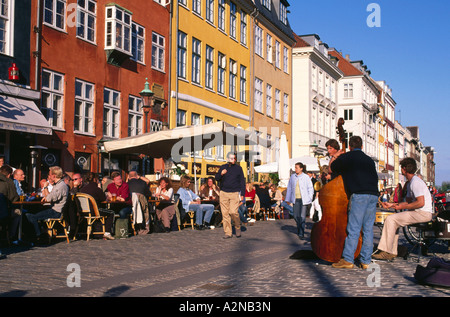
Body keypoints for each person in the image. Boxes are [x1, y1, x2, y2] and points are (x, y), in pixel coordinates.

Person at [329, 136, 379, 269]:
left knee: (354, 228)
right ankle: (365, 261)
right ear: (362, 146)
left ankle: (348, 259)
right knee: (368, 229)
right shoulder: (369, 160)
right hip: (373, 194)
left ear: (350, 146)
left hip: (360, 194)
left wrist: (336, 156)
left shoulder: (348, 157)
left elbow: (332, 169)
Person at [373, 158, 434, 261]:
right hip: (419, 212)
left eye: (401, 167)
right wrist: (392, 205)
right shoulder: (411, 182)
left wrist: (402, 207)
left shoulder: (415, 182)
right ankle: (391, 251)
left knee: (391, 219)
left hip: (423, 213)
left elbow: (420, 202)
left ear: (404, 169)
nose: (401, 169)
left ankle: (386, 251)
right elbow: (408, 202)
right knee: (394, 220)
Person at [25, 166, 69, 243]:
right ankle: (40, 234)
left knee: (30, 216)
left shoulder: (61, 186)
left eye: (49, 175)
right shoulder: (58, 185)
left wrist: (45, 187)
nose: (48, 177)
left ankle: (38, 236)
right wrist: (47, 195)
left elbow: (49, 198)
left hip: (56, 211)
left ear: (54, 176)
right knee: (31, 212)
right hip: (53, 209)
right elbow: (49, 196)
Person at [215, 151, 246, 238]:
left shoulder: (238, 168)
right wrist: (221, 174)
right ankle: (228, 233)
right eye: (231, 158)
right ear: (228, 159)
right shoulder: (223, 167)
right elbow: (216, 178)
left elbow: (242, 182)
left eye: (234, 158)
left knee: (233, 212)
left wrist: (242, 193)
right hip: (224, 193)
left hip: (234, 193)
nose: (233, 160)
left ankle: (237, 226)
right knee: (225, 214)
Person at [79, 172, 115, 240]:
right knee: (111, 213)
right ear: (95, 179)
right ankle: (107, 232)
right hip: (94, 211)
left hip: (83, 212)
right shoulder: (96, 189)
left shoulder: (83, 189)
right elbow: (103, 199)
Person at [285, 162, 314, 240]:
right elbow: (290, 188)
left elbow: (310, 188)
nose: (295, 169)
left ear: (301, 169)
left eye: (297, 168)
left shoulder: (306, 177)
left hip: (304, 199)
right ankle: (299, 227)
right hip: (296, 199)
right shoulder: (293, 177)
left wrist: (310, 197)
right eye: (295, 168)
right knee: (295, 216)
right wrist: (288, 199)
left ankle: (301, 232)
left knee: (302, 216)